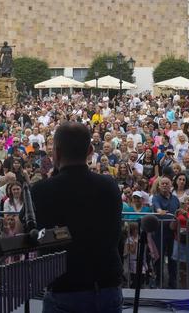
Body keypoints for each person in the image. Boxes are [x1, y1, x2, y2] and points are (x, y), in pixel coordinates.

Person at [31, 122, 122, 313]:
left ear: (55, 152)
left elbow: (36, 237)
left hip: (64, 289)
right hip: (106, 287)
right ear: (90, 150)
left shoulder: (42, 190)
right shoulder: (109, 186)